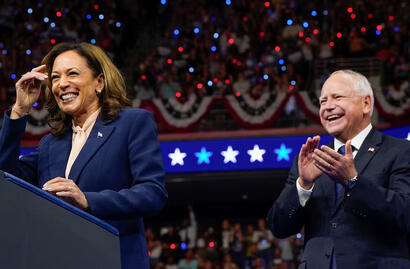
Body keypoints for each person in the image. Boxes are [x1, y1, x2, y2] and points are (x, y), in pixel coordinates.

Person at [0, 42, 168, 269]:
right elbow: (7, 180)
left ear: (99, 82)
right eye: (56, 78)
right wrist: (20, 110)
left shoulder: (132, 123)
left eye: (72, 74)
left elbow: (152, 193)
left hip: (115, 261)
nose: (62, 84)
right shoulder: (51, 144)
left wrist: (88, 200)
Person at [267, 70, 410, 268]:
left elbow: (404, 216)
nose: (328, 107)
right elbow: (279, 227)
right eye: (323, 101)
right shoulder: (311, 159)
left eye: (337, 97)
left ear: (366, 104)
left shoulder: (401, 152)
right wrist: (304, 185)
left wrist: (353, 182)